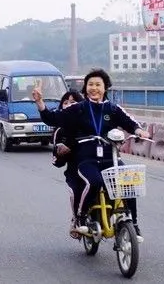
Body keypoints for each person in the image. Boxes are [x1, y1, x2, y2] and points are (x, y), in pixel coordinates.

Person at [34, 68, 149, 241]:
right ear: (85, 88)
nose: (94, 88)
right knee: (94, 182)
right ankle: (80, 217)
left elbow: (130, 123)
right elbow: (52, 118)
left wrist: (139, 131)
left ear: (105, 88)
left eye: (98, 84)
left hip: (112, 159)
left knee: (128, 183)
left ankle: (133, 223)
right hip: (86, 159)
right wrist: (40, 102)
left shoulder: (113, 109)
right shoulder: (77, 108)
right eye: (90, 85)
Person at [50, 91, 85, 238]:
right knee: (75, 191)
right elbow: (58, 162)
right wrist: (61, 154)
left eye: (73, 102)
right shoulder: (60, 132)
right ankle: (77, 219)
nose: (69, 105)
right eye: (66, 102)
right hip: (75, 170)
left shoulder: (89, 124)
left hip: (95, 165)